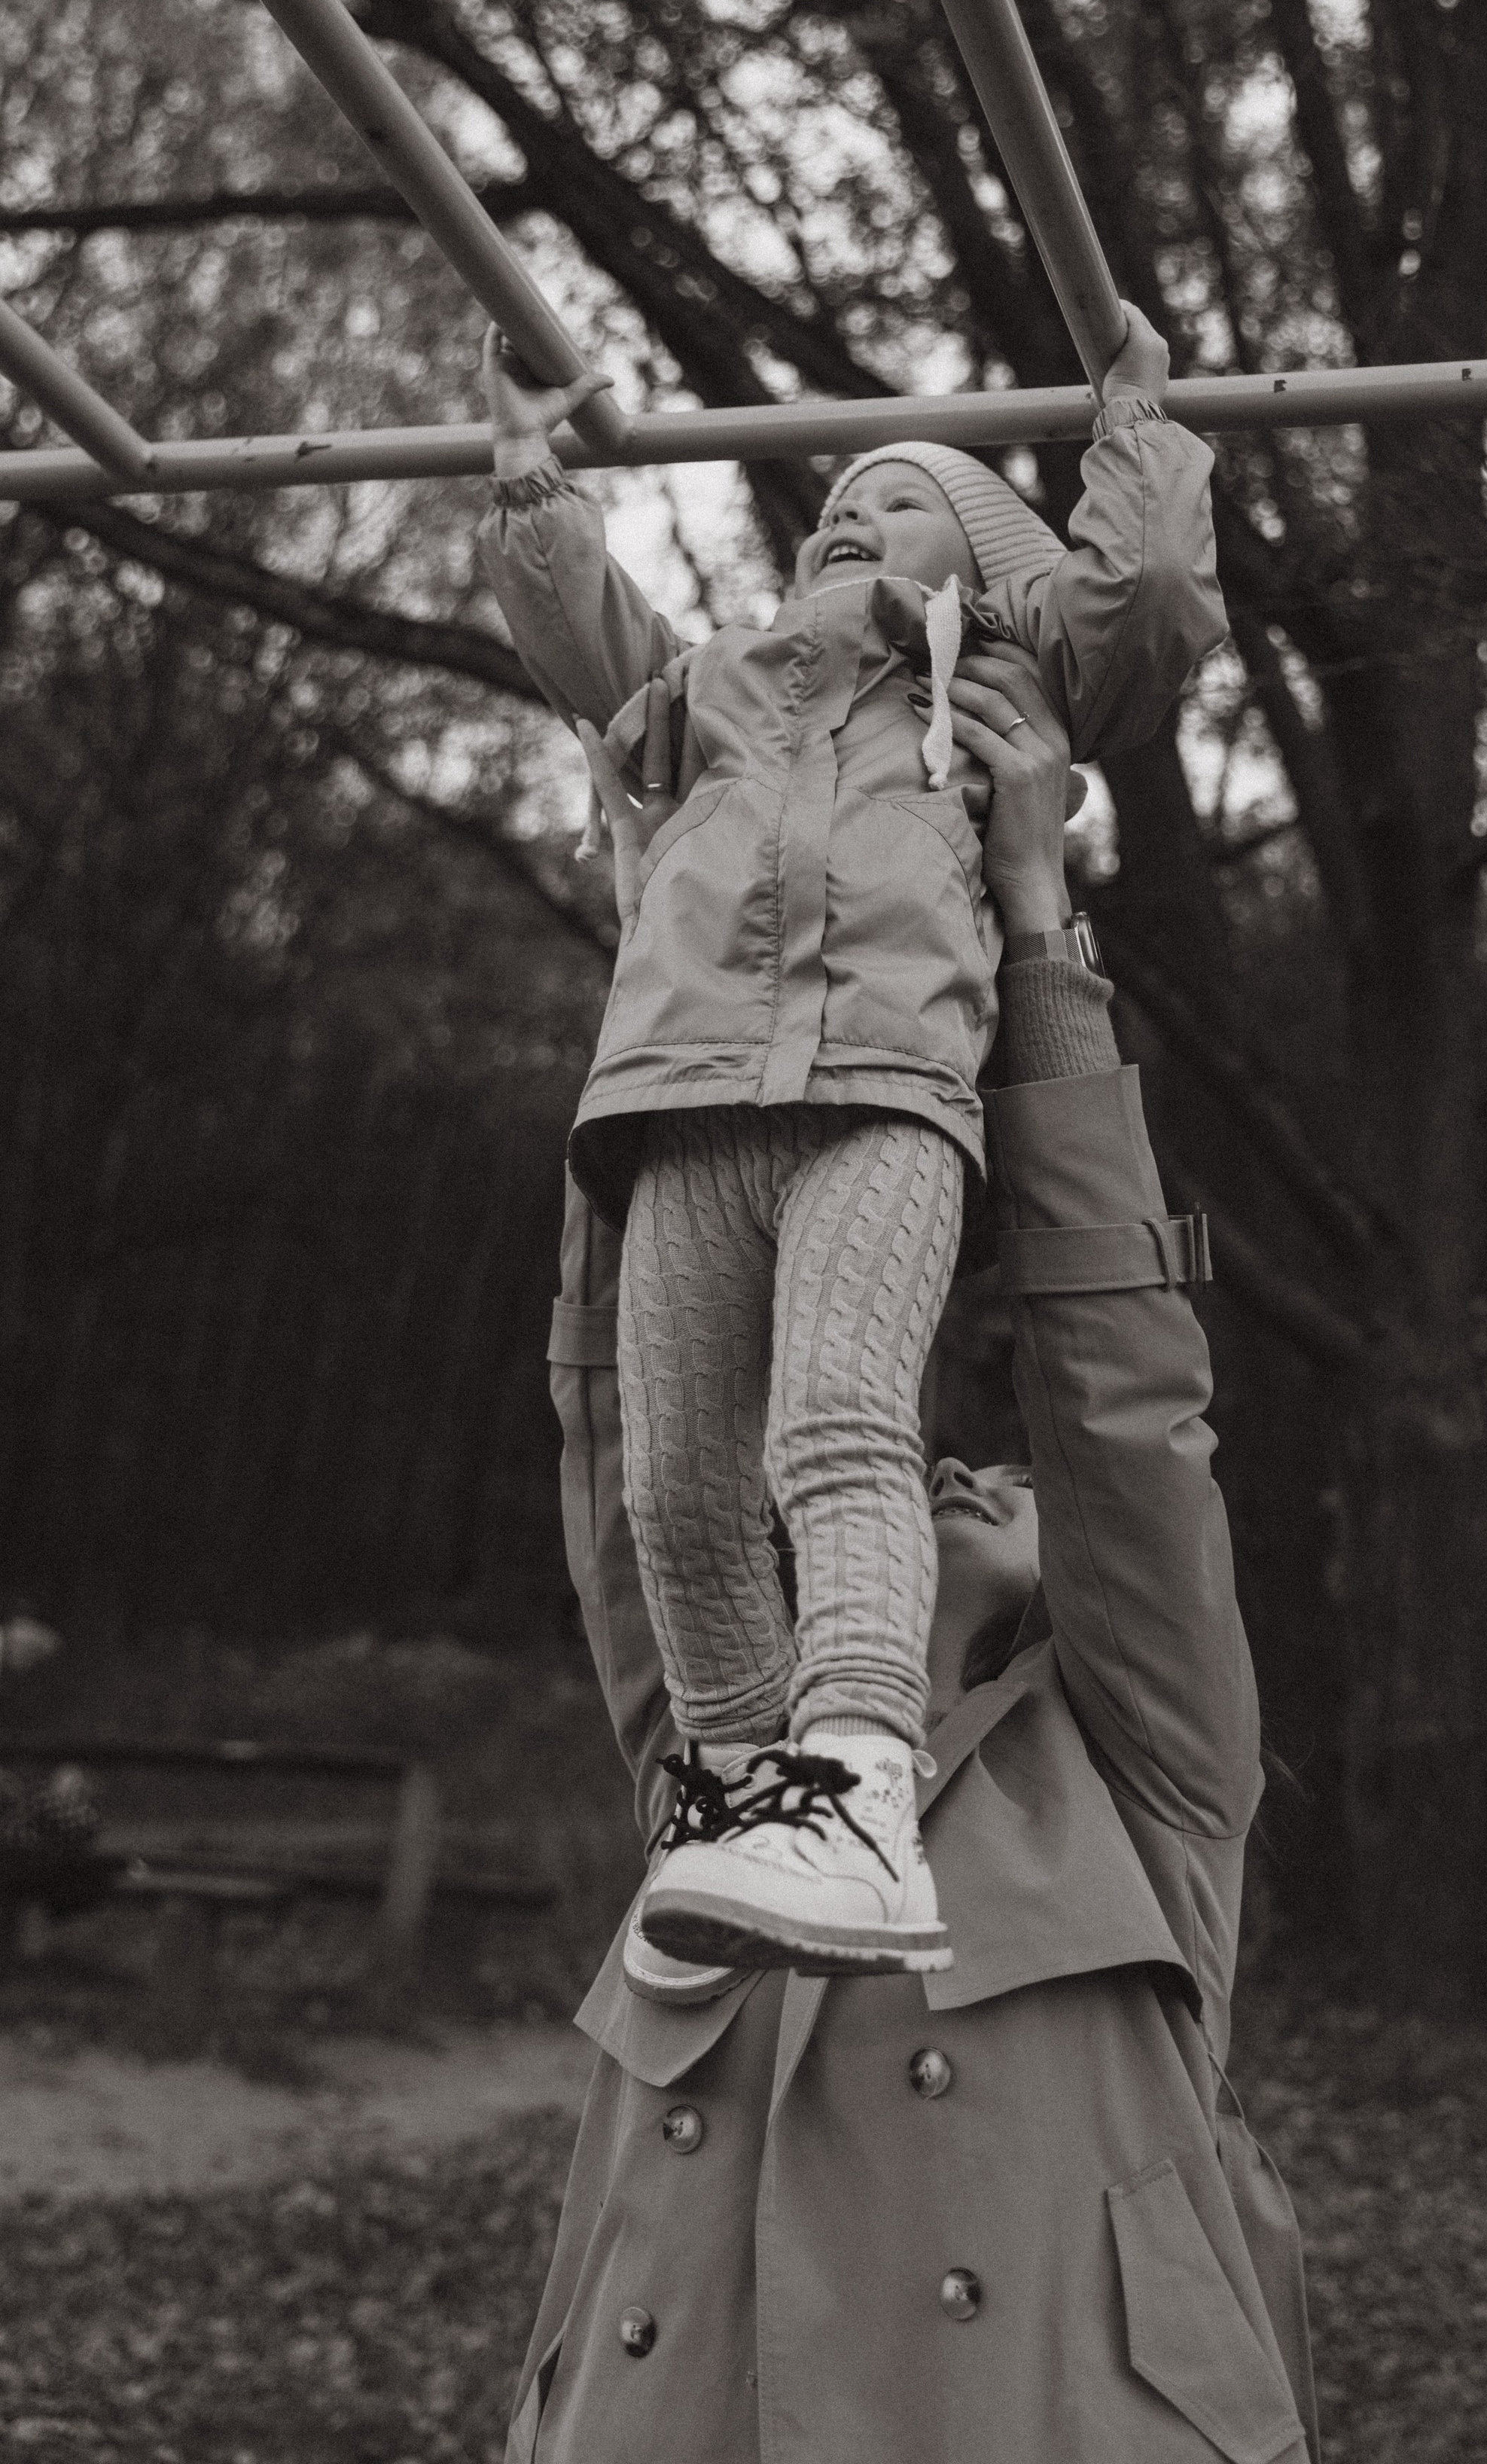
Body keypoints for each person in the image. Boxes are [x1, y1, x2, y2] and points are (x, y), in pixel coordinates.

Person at [510, 653, 1319, 2464]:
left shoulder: (1141, 1772)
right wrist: (670, 982)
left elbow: (1118, 1406)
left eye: (996, 1471)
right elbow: (635, 1427)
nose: (957, 1462)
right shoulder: (714, 1755)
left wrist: (1036, 934)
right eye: (933, 1459)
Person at [479, 323, 1223, 1975]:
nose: (842, 522)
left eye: (893, 507)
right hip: (676, 1097)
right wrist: (537, 486)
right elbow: (585, 636)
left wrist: (1135, 429)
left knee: (832, 1424)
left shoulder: (997, 690)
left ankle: (858, 1789)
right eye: (832, 507)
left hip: (886, 1086)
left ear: (989, 563)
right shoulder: (716, 691)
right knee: (678, 1480)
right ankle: (739, 1803)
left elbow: (1151, 604)